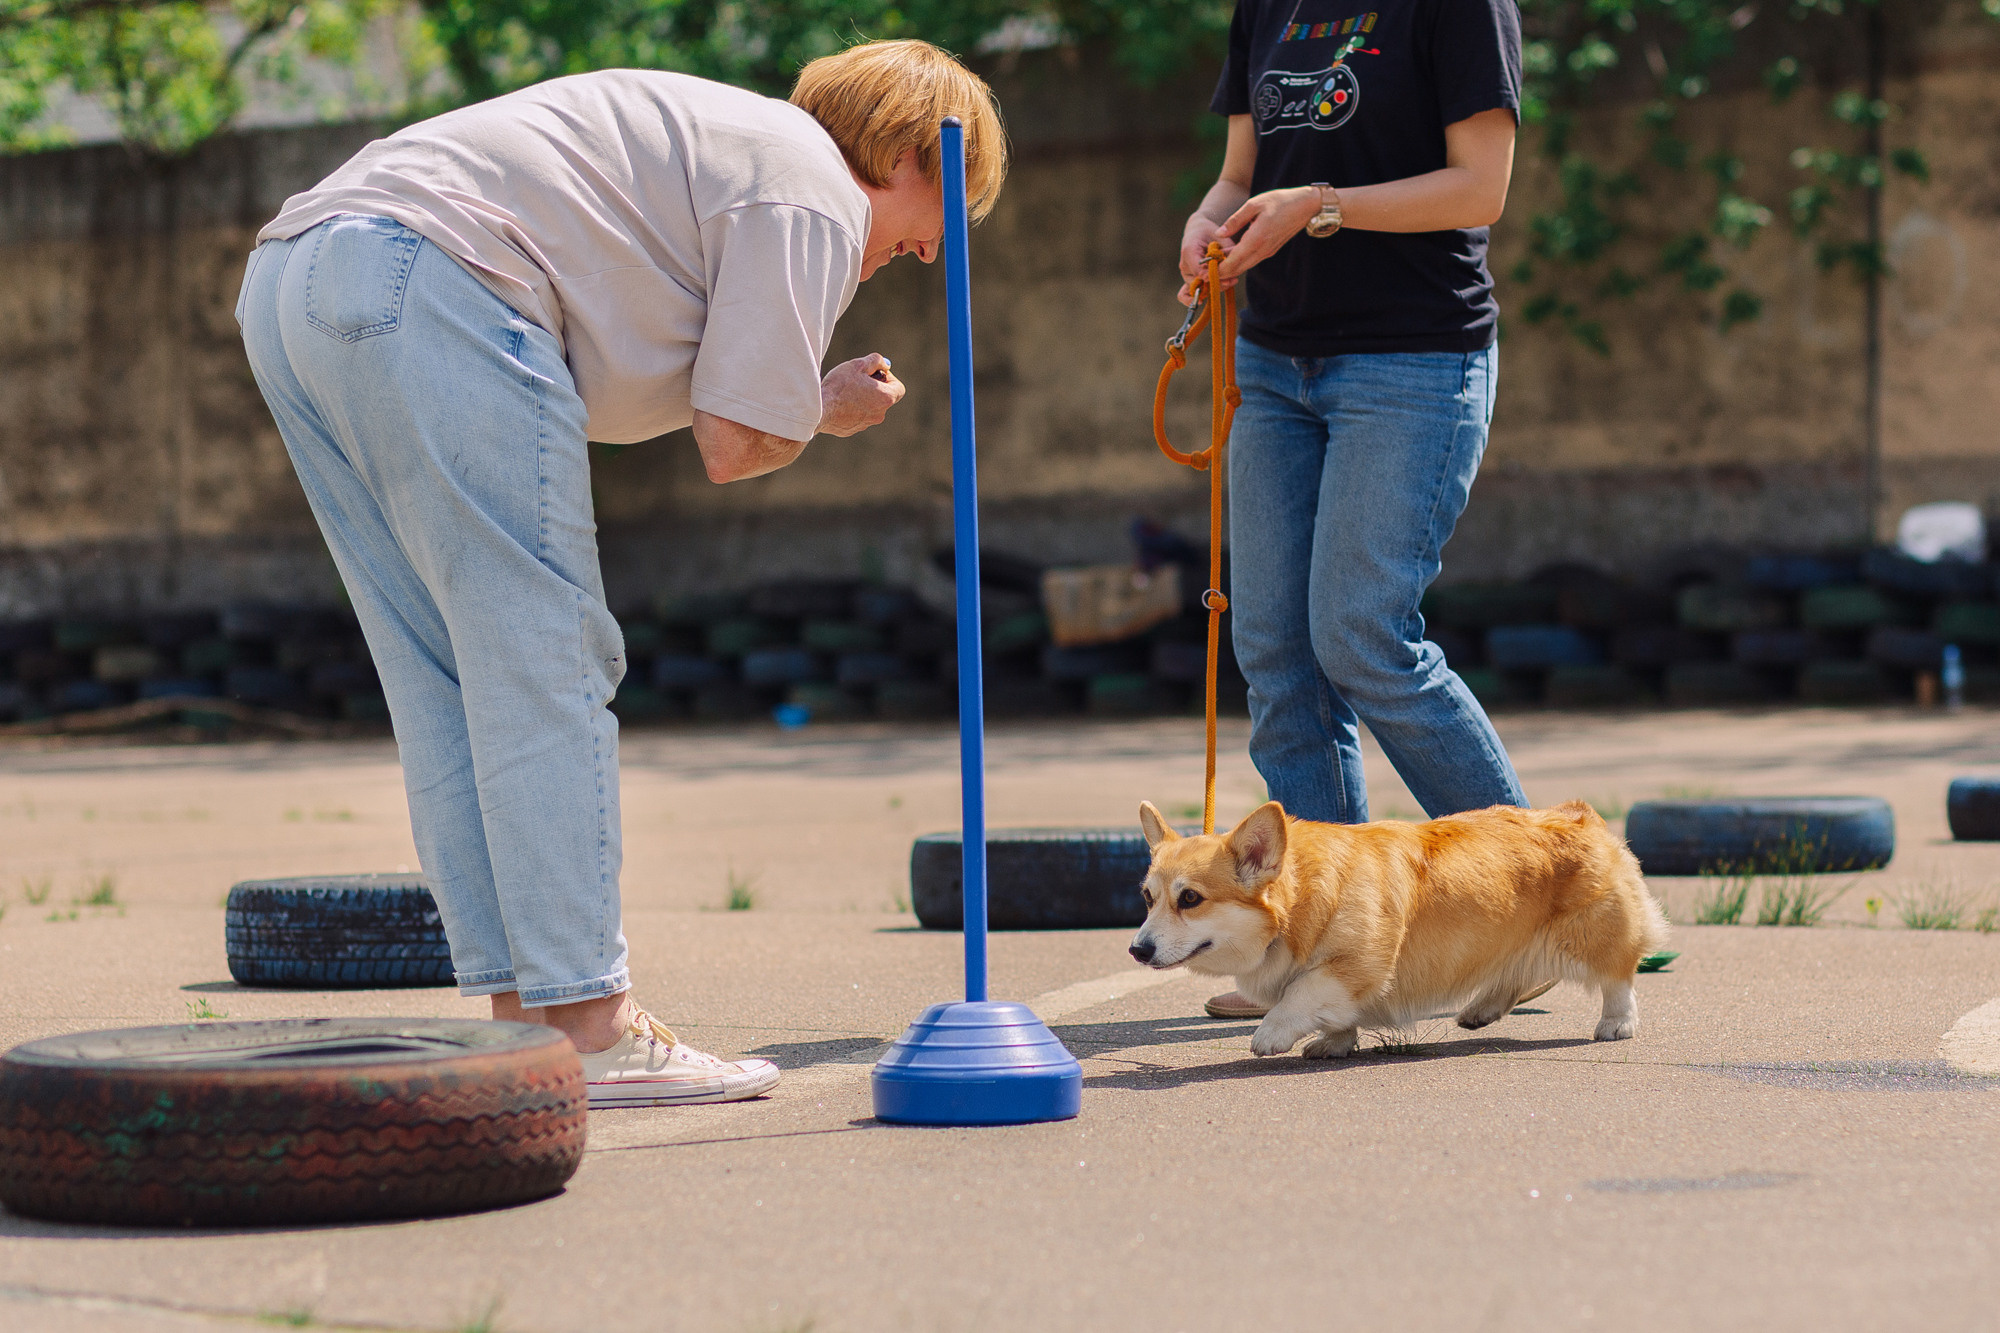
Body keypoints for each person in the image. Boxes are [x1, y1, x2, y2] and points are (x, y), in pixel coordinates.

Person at [235, 40, 1007, 1105]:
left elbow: (713, 401)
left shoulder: (729, 150)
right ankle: (594, 1026)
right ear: (909, 153)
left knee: (451, 678)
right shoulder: (814, 187)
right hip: (435, 271)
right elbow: (734, 444)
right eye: (942, 219)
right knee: (548, 656)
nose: (925, 255)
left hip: (298, 275)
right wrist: (810, 417)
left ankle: (527, 1025)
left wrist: (806, 404)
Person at [1179, 1, 1529, 1020]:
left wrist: (1319, 206)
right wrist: (1209, 223)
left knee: (1360, 634)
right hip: (1273, 360)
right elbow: (1240, 176)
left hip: (1412, 360)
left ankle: (1530, 911)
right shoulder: (1266, 7)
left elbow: (1480, 187)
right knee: (1278, 650)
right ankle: (1317, 950)